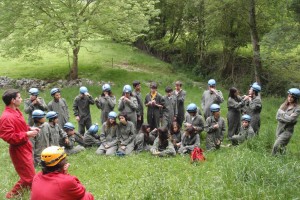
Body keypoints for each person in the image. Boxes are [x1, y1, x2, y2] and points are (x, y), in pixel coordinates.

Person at [0, 89, 39, 198]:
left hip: (25, 146)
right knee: (29, 178)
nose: (21, 99)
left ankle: (30, 195)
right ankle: (10, 196)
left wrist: (30, 128)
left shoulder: (16, 111)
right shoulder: (6, 117)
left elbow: (20, 127)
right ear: (13, 100)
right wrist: (26, 134)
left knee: (29, 175)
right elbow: (9, 137)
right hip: (18, 150)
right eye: (19, 97)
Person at [272, 88, 300, 155]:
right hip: (279, 129)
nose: (290, 98)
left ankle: (271, 158)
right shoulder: (283, 105)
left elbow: (290, 120)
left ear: (295, 98)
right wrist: (287, 118)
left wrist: (282, 114)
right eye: (289, 96)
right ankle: (282, 160)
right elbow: (277, 117)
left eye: (292, 97)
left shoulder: (297, 108)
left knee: (276, 146)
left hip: (287, 131)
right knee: (282, 147)